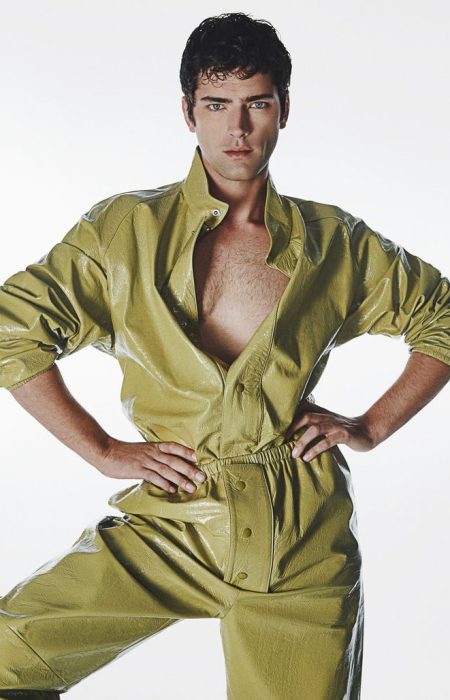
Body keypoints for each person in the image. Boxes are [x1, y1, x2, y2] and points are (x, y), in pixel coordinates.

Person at [0, 10, 449, 700]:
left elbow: (441, 316)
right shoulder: (123, 232)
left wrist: (372, 425)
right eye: (216, 105)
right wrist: (102, 449)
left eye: (256, 104)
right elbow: (13, 330)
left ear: (284, 110)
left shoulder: (336, 242)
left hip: (300, 541)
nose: (237, 129)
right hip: (169, 523)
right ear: (188, 112)